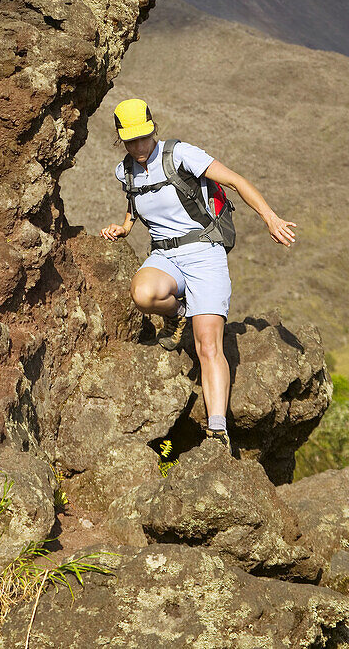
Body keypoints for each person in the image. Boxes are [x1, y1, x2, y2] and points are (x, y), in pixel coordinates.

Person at [100, 98, 296, 451]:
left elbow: (235, 180)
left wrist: (270, 218)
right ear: (121, 139)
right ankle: (178, 315)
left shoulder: (181, 155)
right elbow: (135, 202)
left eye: (144, 137)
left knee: (208, 345)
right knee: (143, 294)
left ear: (153, 129)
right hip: (165, 255)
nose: (139, 146)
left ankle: (217, 429)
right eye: (131, 141)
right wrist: (125, 227)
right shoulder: (124, 171)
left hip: (205, 254)